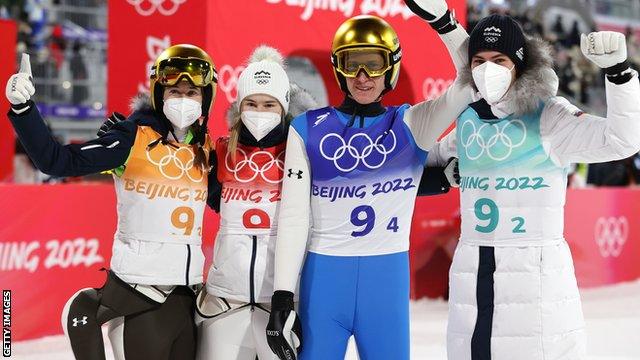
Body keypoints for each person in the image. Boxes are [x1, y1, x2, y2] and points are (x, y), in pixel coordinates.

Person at [265, 1, 472, 358]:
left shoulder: (413, 124)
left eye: (373, 63)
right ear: (338, 68)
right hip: (324, 283)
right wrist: (283, 294)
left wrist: (445, 24)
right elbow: (295, 217)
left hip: (385, 283)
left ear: (390, 67)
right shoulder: (307, 129)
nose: (362, 75)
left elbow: (473, 81)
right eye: (351, 62)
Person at [426, 14, 640, 360]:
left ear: (519, 65)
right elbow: (425, 163)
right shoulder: (469, 118)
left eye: (499, 60)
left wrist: (619, 74)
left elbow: (621, 140)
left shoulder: (549, 116)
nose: (487, 70)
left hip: (535, 278)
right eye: (478, 61)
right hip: (473, 277)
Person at [5, 44, 217, 359]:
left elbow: (232, 204)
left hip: (186, 299)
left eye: (192, 92)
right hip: (139, 298)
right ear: (159, 94)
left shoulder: (206, 151)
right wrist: (24, 109)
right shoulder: (131, 139)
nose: (183, 100)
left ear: (205, 98)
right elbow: (57, 161)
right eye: (174, 91)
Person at [195, 46, 316, 360]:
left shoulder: (300, 154)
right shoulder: (222, 151)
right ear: (239, 106)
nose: (259, 111)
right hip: (224, 301)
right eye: (251, 103)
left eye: (268, 104)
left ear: (283, 107)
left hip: (280, 301)